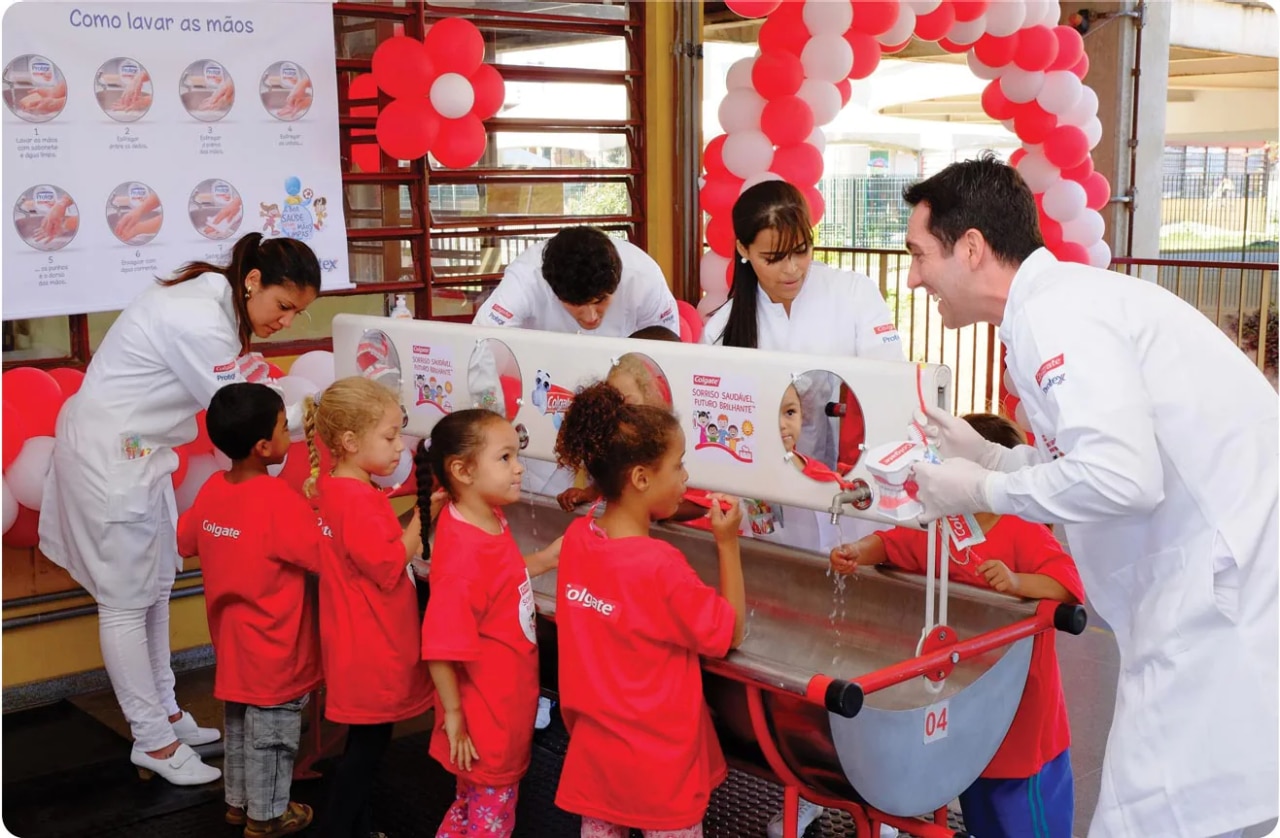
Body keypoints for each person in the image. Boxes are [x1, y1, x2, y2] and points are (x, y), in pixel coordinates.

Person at [901, 154, 1278, 838]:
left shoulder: (1059, 315)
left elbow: (1123, 478)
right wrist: (987, 454)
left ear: (972, 247)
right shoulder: (1059, 308)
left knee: (1159, 817)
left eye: (920, 254)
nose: (914, 276)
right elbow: (1078, 467)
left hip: (1218, 596)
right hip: (1205, 589)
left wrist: (983, 486)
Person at [39, 232, 321, 785]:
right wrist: (318, 416)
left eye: (299, 314)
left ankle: (167, 712)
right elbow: (239, 413)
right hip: (112, 459)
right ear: (253, 281)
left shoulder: (214, 300)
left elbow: (243, 386)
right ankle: (154, 742)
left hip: (140, 455)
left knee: (158, 585)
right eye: (284, 307)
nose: (286, 322)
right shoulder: (200, 319)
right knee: (124, 602)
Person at [832, 413, 1084, 838]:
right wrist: (858, 549)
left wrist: (1019, 582)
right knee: (979, 805)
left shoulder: (1022, 529)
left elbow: (1068, 585)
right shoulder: (944, 525)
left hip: (1026, 720)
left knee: (1028, 819)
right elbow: (895, 544)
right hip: (972, 710)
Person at [702, 182, 905, 640]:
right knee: (780, 617)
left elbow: (888, 384)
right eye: (774, 258)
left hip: (849, 489)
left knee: (852, 621)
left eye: (802, 251)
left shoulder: (852, 294)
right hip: (768, 505)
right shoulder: (722, 328)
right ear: (742, 250)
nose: (792, 269)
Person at [552, 382, 746, 838]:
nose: (684, 478)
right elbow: (729, 633)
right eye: (677, 466)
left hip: (596, 758)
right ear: (640, 478)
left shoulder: (580, 540)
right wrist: (728, 543)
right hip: (659, 768)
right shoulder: (660, 566)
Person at [176, 383, 321, 838]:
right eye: (283, 428)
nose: (289, 434)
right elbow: (321, 558)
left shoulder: (212, 490)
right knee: (273, 735)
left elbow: (186, 540)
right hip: (276, 645)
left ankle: (239, 805)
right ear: (263, 447)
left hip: (232, 640)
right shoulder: (280, 501)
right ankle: (268, 816)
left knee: (239, 724)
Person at [417, 409, 561, 838]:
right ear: (462, 470)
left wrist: (547, 559)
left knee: (470, 807)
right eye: (505, 458)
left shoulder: (484, 519)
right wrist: (456, 716)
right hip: (484, 717)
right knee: (490, 816)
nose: (518, 468)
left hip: (502, 703)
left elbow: (499, 580)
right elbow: (439, 645)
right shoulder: (462, 556)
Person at [301, 377, 433, 838]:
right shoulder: (357, 498)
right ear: (351, 442)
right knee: (367, 749)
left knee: (364, 742)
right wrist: (422, 517)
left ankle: (358, 827)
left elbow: (368, 546)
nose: (400, 447)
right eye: (390, 436)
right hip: (371, 641)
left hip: (354, 635)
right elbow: (387, 562)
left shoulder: (337, 486)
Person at [473, 225, 679, 336]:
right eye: (575, 304)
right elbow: (482, 344)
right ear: (553, 289)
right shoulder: (526, 278)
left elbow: (666, 351)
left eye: (600, 301)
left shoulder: (644, 277)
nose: (591, 317)